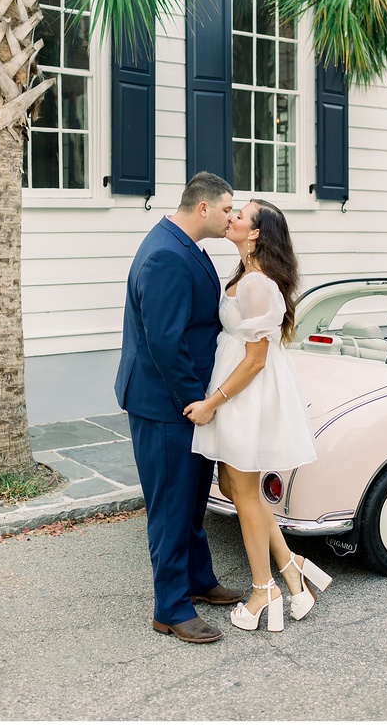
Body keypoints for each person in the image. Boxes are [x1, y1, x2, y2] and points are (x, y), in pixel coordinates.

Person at [185, 199, 333, 632]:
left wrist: (213, 403)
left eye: (240, 215)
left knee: (244, 491)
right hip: (238, 390)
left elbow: (254, 360)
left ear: (255, 235)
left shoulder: (257, 285)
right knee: (232, 484)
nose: (230, 217)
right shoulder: (244, 277)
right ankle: (291, 568)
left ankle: (262, 589)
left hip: (244, 395)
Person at [115, 172, 245, 644]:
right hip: (167, 404)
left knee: (191, 500)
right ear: (204, 208)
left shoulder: (184, 244)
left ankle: (198, 579)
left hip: (186, 402)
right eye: (228, 208)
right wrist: (197, 402)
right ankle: (170, 607)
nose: (233, 216)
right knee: (171, 505)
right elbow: (165, 343)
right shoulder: (168, 255)